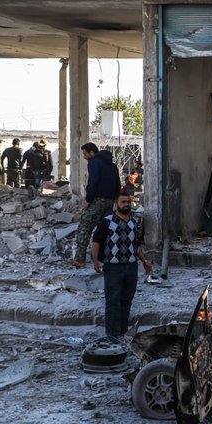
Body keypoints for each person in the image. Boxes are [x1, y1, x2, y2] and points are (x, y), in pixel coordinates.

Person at [91, 190, 153, 340]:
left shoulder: (133, 223)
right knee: (113, 301)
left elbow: (136, 245)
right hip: (113, 267)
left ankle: (122, 331)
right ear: (116, 204)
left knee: (126, 300)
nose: (126, 205)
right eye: (123, 202)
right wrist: (95, 260)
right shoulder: (107, 221)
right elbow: (96, 241)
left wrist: (144, 262)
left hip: (131, 267)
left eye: (128, 202)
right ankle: (112, 334)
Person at [73, 142, 121, 268]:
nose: (84, 157)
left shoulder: (95, 162)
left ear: (92, 153)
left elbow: (93, 182)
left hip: (98, 201)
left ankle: (79, 260)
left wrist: (88, 201)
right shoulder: (113, 166)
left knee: (84, 227)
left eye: (85, 154)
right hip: (110, 201)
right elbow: (118, 184)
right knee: (107, 231)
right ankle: (108, 258)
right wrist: (115, 200)